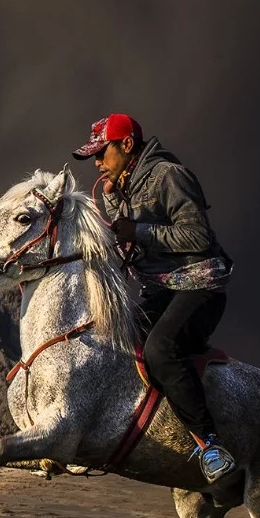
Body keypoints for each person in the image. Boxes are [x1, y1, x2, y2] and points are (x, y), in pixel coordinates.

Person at [73, 114, 237, 483]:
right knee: (113, 342)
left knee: (160, 349)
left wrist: (139, 230)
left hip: (199, 286)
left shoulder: (170, 176)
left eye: (102, 153)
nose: (97, 163)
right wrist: (116, 209)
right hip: (160, 289)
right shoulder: (123, 186)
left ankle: (211, 446)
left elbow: (197, 237)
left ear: (126, 145)